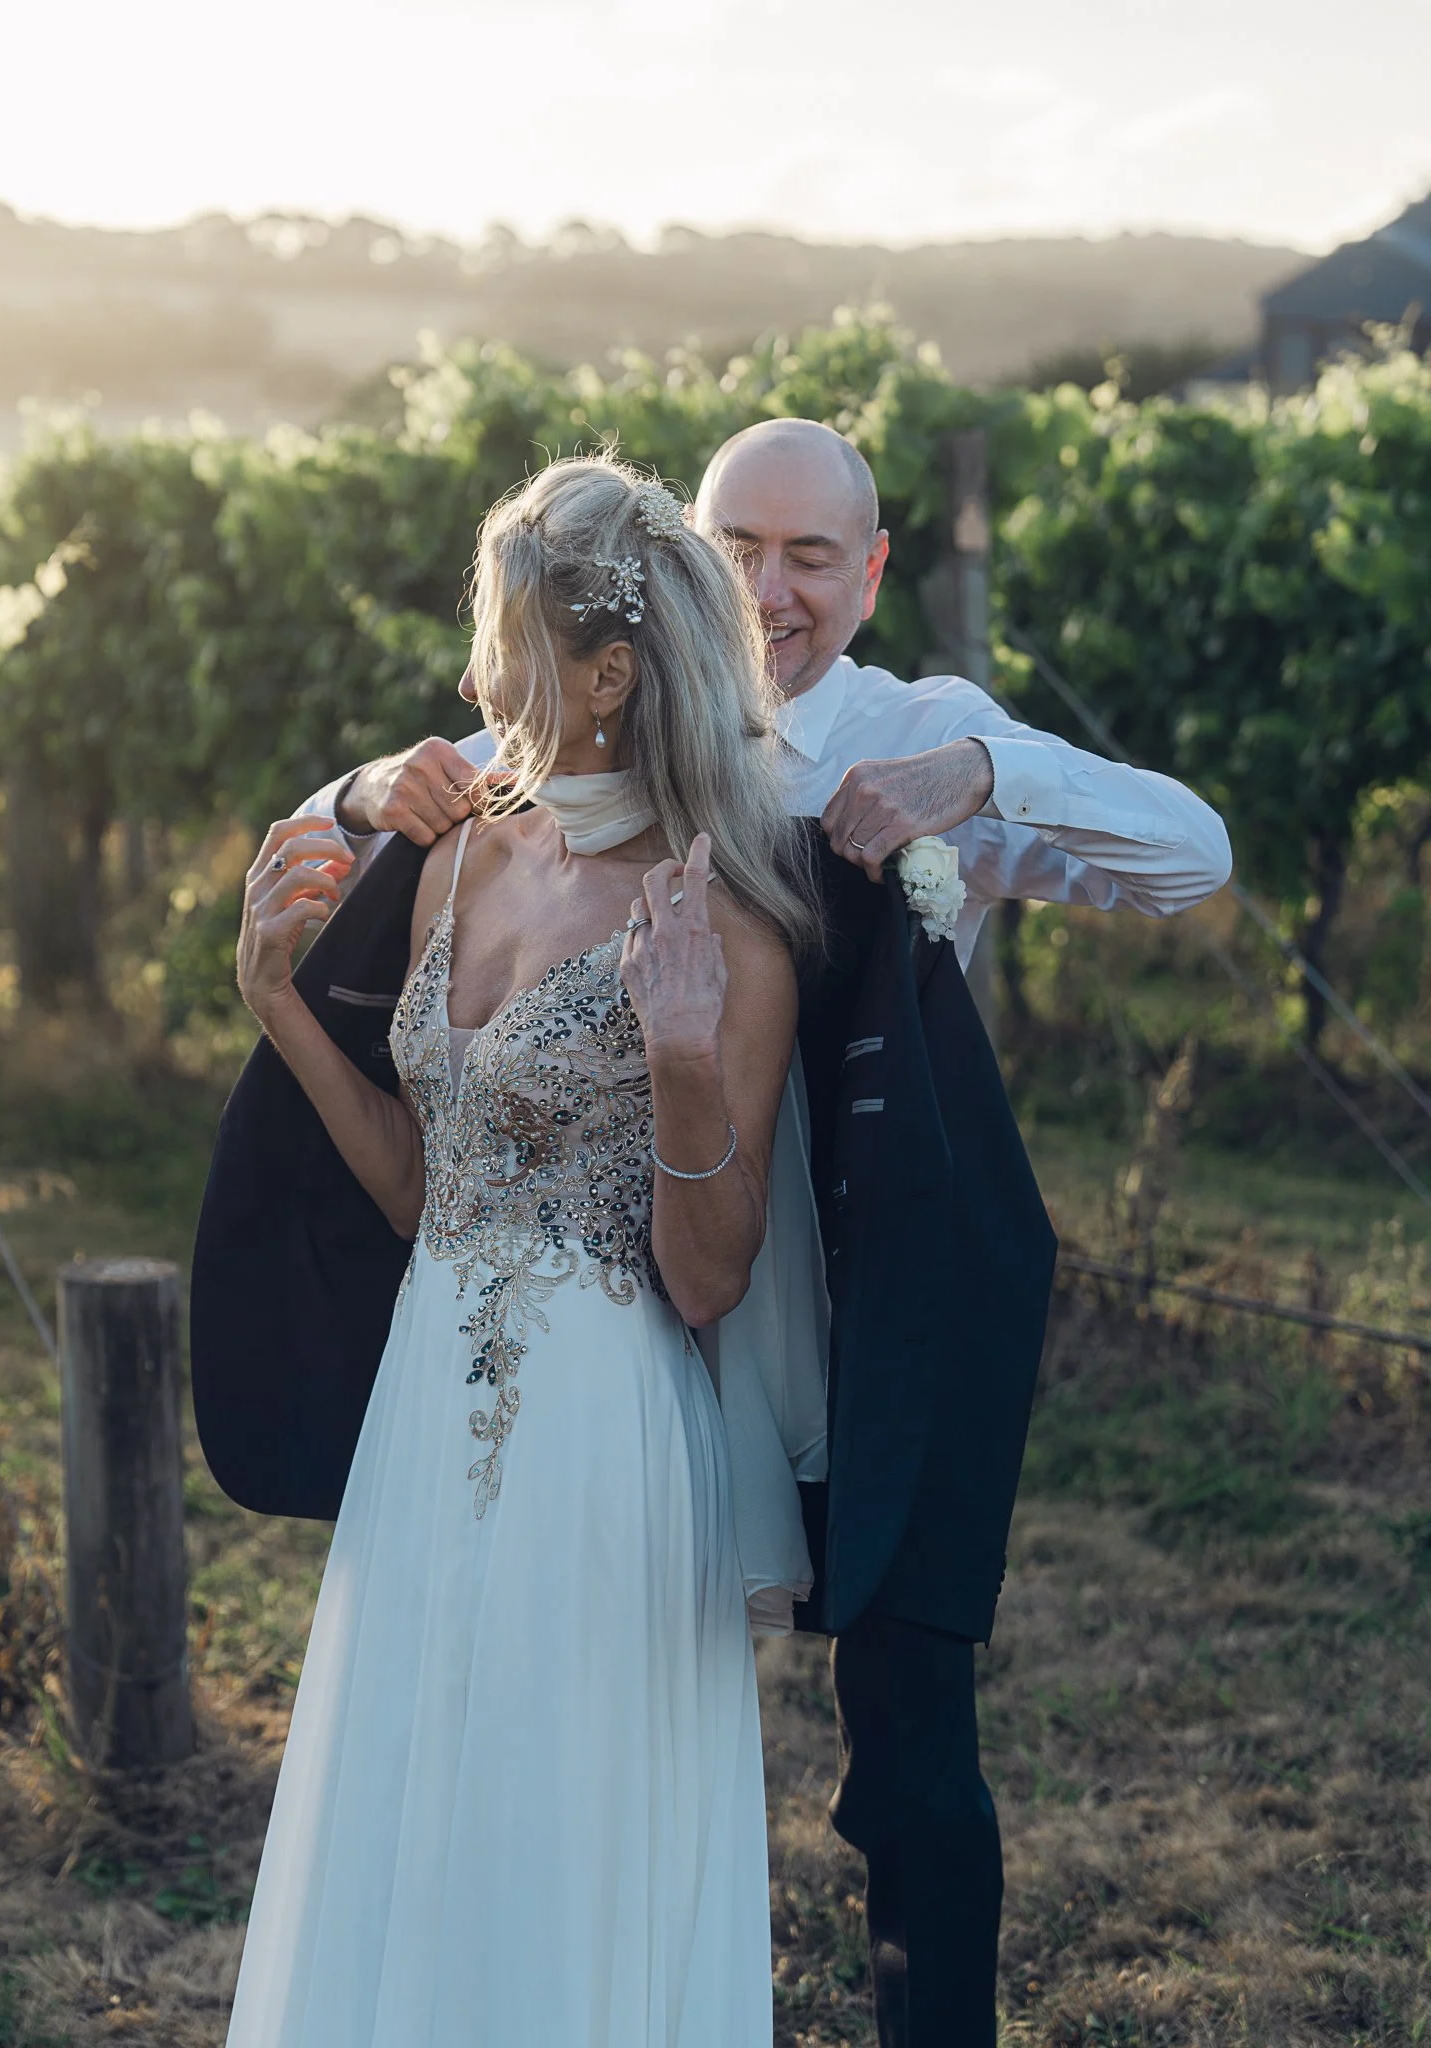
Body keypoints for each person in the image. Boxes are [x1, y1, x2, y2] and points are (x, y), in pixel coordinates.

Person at [259, 421, 1233, 2046]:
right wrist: (370, 783)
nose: (770, 589)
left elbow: (1193, 854)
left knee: (911, 1757)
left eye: (810, 556)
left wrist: (981, 776)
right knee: (558, 1704)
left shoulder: (924, 728)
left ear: (872, 571)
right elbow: (426, 778)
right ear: (680, 564)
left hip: (852, 1323)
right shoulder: (584, 709)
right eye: (739, 549)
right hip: (632, 1300)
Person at [215, 452, 824, 2047]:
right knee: (414, 1785)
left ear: (608, 673)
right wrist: (277, 1002)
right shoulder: (464, 855)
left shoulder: (726, 920)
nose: (476, 674)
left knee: (552, 1816)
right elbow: (425, 1192)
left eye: (502, 639)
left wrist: (688, 1062)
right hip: (428, 1405)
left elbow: (711, 1279)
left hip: (599, 1436)